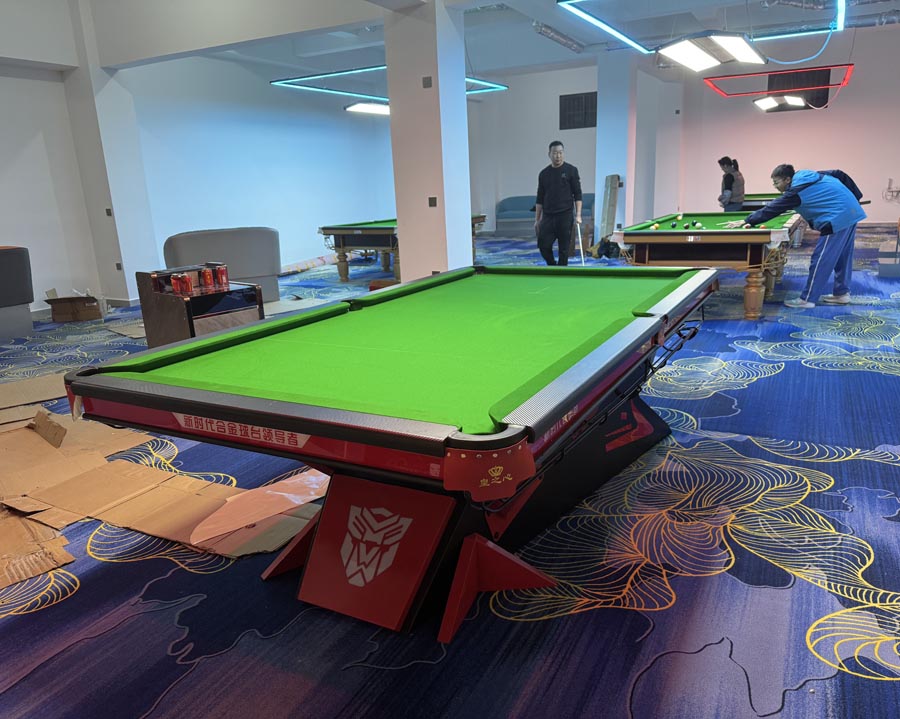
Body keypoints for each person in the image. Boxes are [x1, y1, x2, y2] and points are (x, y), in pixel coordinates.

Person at [726, 164, 865, 308]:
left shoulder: (795, 191)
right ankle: (842, 294)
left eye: (776, 182)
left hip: (837, 218)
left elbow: (772, 209)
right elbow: (839, 173)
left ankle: (808, 299)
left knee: (821, 259)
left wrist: (747, 220)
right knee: (843, 256)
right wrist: (856, 197)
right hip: (851, 212)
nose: (775, 186)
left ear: (787, 180)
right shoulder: (811, 175)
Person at [534, 141, 582, 266]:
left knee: (564, 250)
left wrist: (578, 215)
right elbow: (539, 198)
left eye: (560, 153)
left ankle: (562, 272)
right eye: (555, 153)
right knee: (543, 245)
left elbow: (577, 194)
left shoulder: (571, 170)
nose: (558, 156)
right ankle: (552, 265)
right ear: (549, 154)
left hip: (565, 215)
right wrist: (537, 219)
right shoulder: (544, 174)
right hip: (548, 215)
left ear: (563, 153)